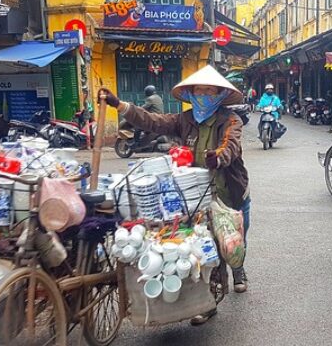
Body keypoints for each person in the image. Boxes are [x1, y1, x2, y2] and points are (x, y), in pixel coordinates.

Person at [99, 65, 251, 324]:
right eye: (199, 91)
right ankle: (209, 301)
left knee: (232, 242)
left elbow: (231, 145)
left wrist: (220, 156)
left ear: (219, 95)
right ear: (191, 94)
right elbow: (153, 121)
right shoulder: (185, 120)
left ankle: (238, 269)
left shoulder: (231, 120)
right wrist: (120, 105)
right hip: (197, 196)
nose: (204, 95)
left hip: (230, 191)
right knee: (206, 246)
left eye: (209, 91)